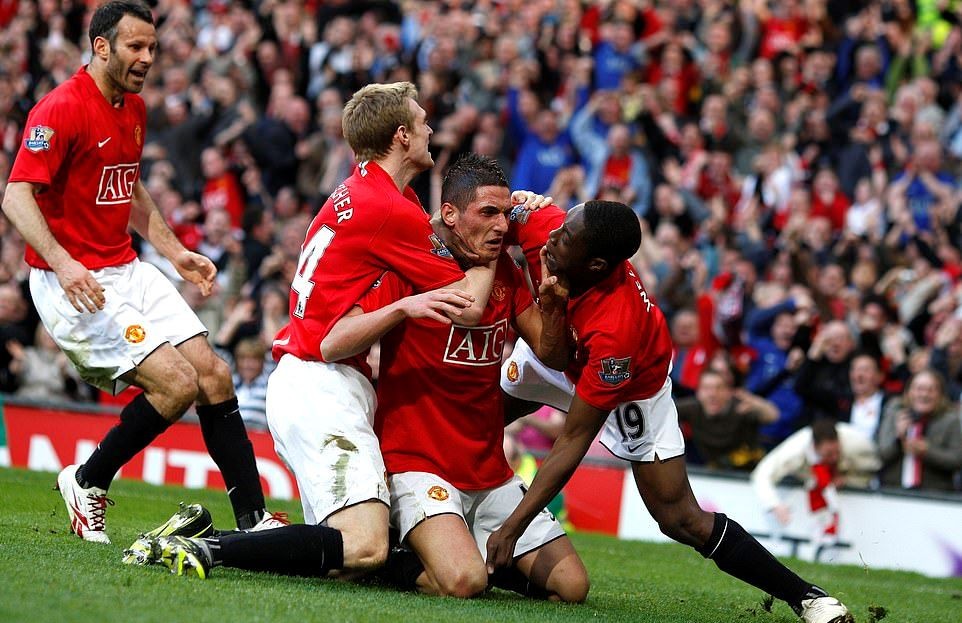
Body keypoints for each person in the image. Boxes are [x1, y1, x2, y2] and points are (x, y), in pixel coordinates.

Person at [143, 82, 521, 578]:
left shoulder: (369, 189)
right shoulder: (388, 208)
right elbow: (469, 304)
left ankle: (207, 538)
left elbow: (423, 237)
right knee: (364, 546)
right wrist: (502, 238)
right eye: (423, 121)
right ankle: (209, 547)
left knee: (353, 555)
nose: (432, 129)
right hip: (320, 380)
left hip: (316, 378)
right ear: (403, 135)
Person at [489, 201, 854, 623]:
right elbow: (484, 216)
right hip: (557, 349)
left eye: (565, 237)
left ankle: (806, 598)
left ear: (595, 264)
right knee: (482, 418)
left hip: (629, 392)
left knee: (680, 519)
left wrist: (512, 529)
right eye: (561, 225)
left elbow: (573, 439)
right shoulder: (548, 226)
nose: (552, 238)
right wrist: (513, 201)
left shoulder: (616, 330)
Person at [1, 0, 271, 544]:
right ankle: (87, 480)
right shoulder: (60, 108)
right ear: (101, 47)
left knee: (214, 376)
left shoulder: (133, 108)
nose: (147, 58)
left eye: (152, 47)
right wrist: (64, 262)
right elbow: (15, 195)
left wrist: (173, 252)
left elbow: (127, 188)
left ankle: (255, 523)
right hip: (73, 282)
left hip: (127, 267)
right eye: (136, 47)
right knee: (176, 384)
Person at [324, 153, 588, 601]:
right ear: (449, 213)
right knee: (464, 583)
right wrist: (400, 309)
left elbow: (551, 352)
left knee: (572, 587)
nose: (502, 226)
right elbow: (336, 339)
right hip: (416, 460)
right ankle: (389, 549)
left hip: (488, 468)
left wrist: (556, 305)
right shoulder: (408, 261)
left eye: (506, 214)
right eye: (488, 213)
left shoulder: (505, 266)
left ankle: (454, 549)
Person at [751, 419, 881, 560]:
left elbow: (875, 471)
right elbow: (762, 473)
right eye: (828, 454)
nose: (834, 457)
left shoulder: (858, 444)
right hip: (811, 494)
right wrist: (775, 504)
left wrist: (847, 479)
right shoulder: (795, 450)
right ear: (814, 446)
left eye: (837, 452)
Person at [877, 369, 962, 492]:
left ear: (940, 395)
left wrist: (927, 451)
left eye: (931, 390)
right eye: (919, 389)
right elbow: (881, 455)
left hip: (934, 496)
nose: (924, 395)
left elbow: (957, 460)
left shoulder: (950, 420)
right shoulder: (895, 412)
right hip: (894, 493)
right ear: (908, 392)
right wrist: (898, 438)